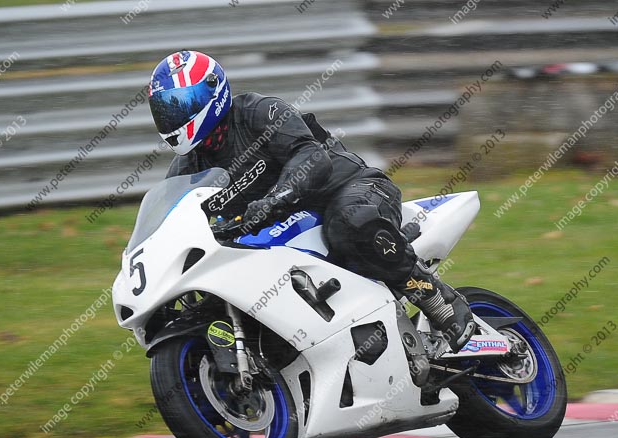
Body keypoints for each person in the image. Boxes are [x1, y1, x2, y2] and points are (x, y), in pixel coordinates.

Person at [148, 50, 474, 352]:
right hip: (281, 226)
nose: (172, 116)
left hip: (349, 189)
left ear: (211, 92)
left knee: (349, 223)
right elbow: (177, 223)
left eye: (180, 104)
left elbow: (312, 157)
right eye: (165, 109)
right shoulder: (187, 168)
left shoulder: (259, 112)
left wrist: (276, 198)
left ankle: (439, 302)